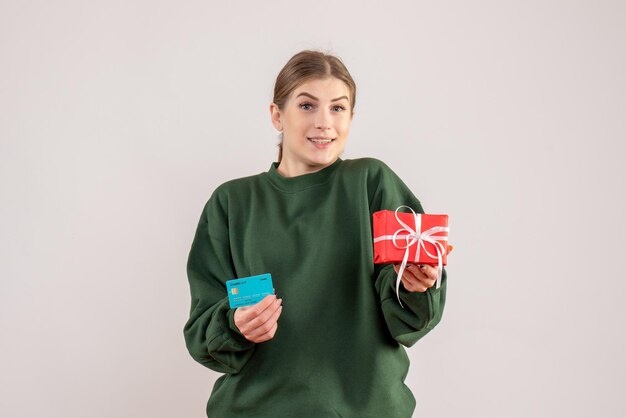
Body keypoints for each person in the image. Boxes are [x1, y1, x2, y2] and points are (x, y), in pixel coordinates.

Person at [184, 49, 447, 418]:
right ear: (277, 114)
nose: (325, 122)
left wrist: (415, 285)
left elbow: (410, 318)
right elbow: (202, 328)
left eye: (338, 108)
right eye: (307, 106)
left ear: (351, 117)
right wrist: (236, 324)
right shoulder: (232, 202)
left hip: (364, 408)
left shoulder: (372, 182)